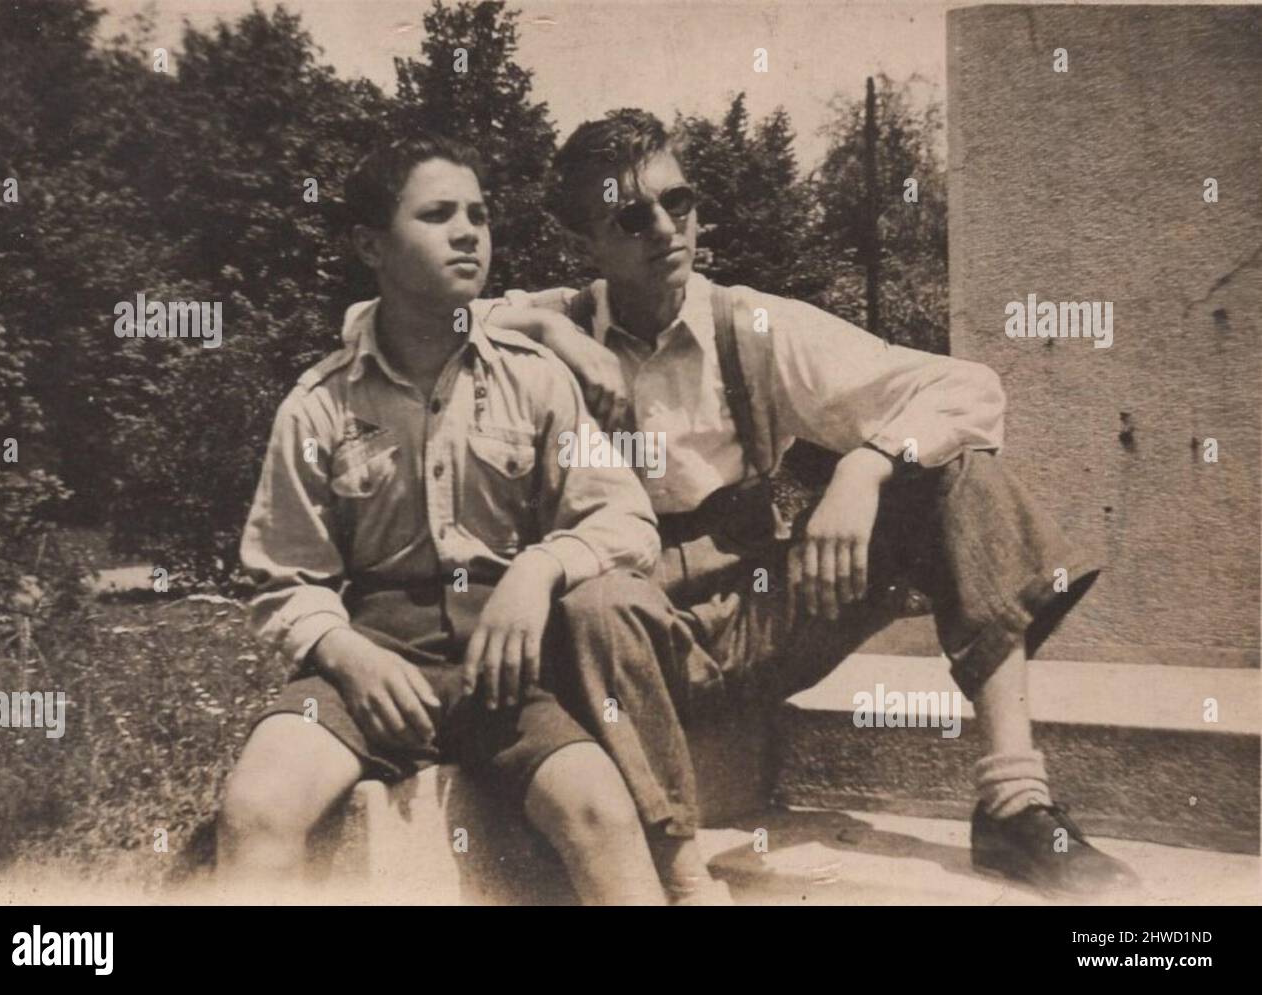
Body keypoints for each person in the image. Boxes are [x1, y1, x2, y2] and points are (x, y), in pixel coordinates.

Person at [479, 109, 1140, 897]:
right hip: (627, 630)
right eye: (631, 215)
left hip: (762, 615)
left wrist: (863, 467)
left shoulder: (747, 323)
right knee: (598, 602)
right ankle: (676, 868)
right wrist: (555, 334)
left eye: (678, 201)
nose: (665, 228)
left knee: (954, 474)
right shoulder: (554, 327)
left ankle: (1014, 802)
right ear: (588, 241)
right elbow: (389, 327)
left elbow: (966, 388)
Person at [218, 130, 715, 905]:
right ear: (371, 246)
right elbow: (282, 574)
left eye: (479, 215)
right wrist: (348, 654)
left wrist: (539, 567)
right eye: (438, 214)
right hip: (369, 670)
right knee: (256, 808)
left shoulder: (534, 380)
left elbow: (625, 522)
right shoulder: (320, 402)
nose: (467, 233)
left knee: (600, 811)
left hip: (505, 676)